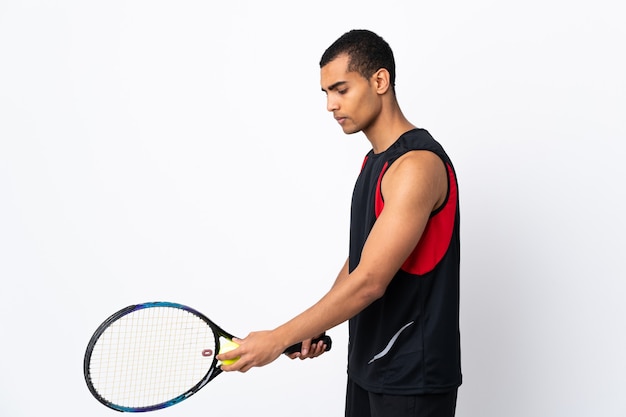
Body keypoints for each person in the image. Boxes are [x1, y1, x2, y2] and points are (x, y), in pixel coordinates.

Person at [218, 29, 461, 417]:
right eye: (326, 93)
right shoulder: (376, 162)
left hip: (413, 378)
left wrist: (278, 338)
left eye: (341, 89)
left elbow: (370, 282)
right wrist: (313, 327)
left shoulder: (417, 165)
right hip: (370, 366)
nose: (331, 105)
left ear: (379, 81)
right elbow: (361, 261)